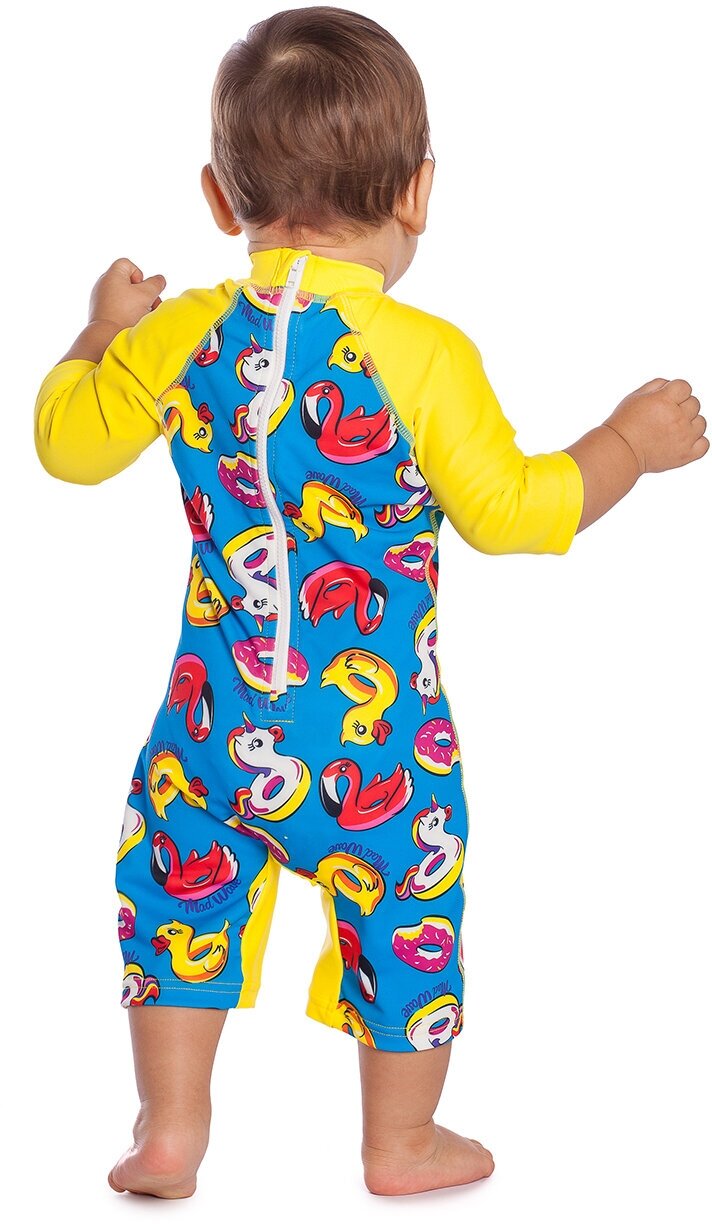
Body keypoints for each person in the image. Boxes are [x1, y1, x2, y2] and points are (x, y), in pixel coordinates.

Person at [33, 5, 707, 1202]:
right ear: (418, 192)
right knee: (408, 914)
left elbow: (67, 447)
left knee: (174, 894)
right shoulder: (423, 355)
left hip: (208, 725)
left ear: (219, 198)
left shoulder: (178, 338)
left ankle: (170, 1130)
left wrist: (101, 330)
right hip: (379, 738)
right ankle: (400, 1142)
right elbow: (517, 514)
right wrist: (624, 444)